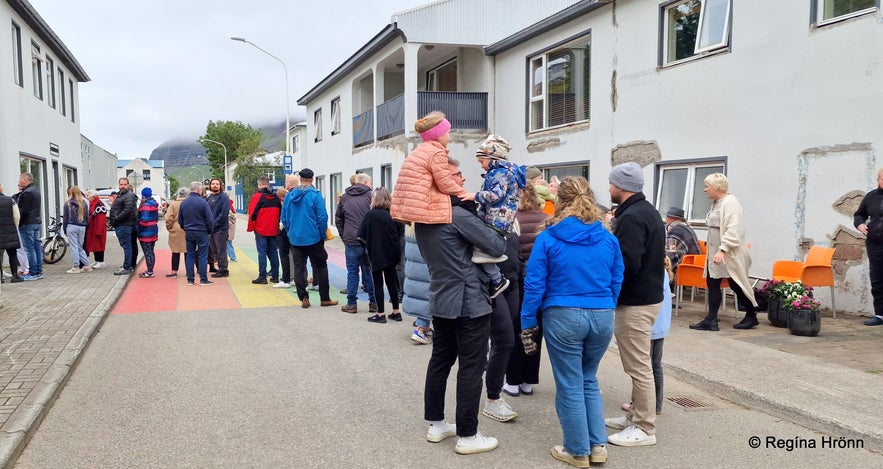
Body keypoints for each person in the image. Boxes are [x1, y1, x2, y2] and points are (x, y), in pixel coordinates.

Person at [519, 176, 623, 467]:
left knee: (570, 383)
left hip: (563, 314)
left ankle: (577, 450)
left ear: (559, 200)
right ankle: (597, 445)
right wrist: (607, 304)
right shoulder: (608, 237)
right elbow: (617, 277)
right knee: (588, 378)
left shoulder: (549, 237)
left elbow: (535, 284)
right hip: (602, 313)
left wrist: (527, 320)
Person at [418, 176, 507, 455]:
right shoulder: (455, 215)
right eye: (456, 178)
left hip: (441, 298)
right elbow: (496, 245)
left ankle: (436, 423)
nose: (463, 181)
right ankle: (468, 434)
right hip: (469, 300)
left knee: (440, 361)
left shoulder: (422, 219)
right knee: (471, 366)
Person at [605, 161, 665, 448]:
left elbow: (628, 263)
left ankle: (644, 427)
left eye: (611, 183)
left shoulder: (631, 217)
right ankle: (635, 418)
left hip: (636, 302)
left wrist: (608, 289)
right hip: (647, 298)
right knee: (638, 364)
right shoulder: (647, 210)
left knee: (639, 367)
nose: (609, 188)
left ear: (621, 186)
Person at [689, 173, 759, 331]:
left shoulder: (730, 203)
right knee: (713, 283)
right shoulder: (717, 203)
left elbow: (733, 229)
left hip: (728, 253)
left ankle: (750, 315)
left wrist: (723, 250)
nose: (705, 190)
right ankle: (712, 319)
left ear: (717, 188)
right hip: (716, 252)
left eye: (707, 187)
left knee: (736, 284)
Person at [503, 180, 550, 398]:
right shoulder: (546, 220)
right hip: (541, 283)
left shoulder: (512, 220)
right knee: (534, 329)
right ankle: (529, 381)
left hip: (517, 281)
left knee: (514, 329)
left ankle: (512, 381)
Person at [472, 135, 526, 298]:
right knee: (482, 251)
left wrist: (473, 195)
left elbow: (496, 195)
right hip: (502, 220)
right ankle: (496, 280)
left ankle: (497, 280)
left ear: (492, 157)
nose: (481, 166)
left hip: (496, 220)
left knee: (481, 250)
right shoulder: (506, 171)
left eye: (482, 161)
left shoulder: (500, 173)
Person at [390, 110, 467, 225]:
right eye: (448, 133)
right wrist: (464, 193)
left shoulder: (419, 151)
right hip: (425, 204)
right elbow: (445, 183)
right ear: (439, 135)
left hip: (411, 205)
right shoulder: (436, 153)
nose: (450, 138)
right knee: (467, 203)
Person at [281, 168, 338, 308]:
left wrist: (290, 231)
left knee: (299, 268)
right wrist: (322, 234)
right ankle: (325, 298)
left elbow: (284, 218)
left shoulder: (289, 195)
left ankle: (303, 298)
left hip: (295, 238)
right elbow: (322, 217)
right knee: (321, 266)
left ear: (300, 179)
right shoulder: (315, 195)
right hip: (313, 237)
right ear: (312, 180)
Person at [623, 262, 673, 416]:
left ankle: (644, 404)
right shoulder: (663, 273)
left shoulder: (653, 273)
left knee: (644, 367)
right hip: (659, 327)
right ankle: (656, 404)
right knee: (654, 365)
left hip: (650, 326)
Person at [358, 187, 404, 323]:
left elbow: (360, 236)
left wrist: (368, 247)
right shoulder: (393, 213)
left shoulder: (371, 215)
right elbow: (400, 232)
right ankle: (396, 311)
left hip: (377, 252)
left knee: (378, 283)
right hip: (392, 252)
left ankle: (381, 314)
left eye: (372, 197)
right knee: (391, 281)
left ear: (376, 199)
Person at [336, 173, 377, 313]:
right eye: (370, 182)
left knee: (352, 272)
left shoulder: (345, 197)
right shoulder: (371, 196)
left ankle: (351, 304)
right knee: (369, 271)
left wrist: (343, 235)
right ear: (365, 182)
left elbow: (339, 218)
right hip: (367, 239)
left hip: (351, 239)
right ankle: (374, 303)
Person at [854, 168, 883, 326]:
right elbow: (859, 214)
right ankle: (880, 315)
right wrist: (860, 224)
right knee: (878, 280)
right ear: (878, 180)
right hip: (876, 244)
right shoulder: (871, 196)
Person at [177, 181, 214, 286]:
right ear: (199, 190)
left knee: (190, 255)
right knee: (202, 256)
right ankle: (203, 279)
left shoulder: (184, 202)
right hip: (202, 232)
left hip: (189, 232)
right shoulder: (203, 202)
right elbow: (210, 219)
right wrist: (210, 231)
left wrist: (185, 228)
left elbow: (180, 219)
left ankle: (190, 279)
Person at [402, 223, 433, 344]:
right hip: (426, 266)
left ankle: (423, 327)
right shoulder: (426, 225)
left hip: (413, 267)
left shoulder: (410, 225)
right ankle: (420, 328)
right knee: (427, 297)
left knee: (422, 296)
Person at [247, 177, 281, 285]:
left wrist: (251, 227)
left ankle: (262, 276)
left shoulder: (258, 196)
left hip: (261, 229)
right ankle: (275, 276)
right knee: (273, 251)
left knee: (261, 252)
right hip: (273, 229)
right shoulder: (276, 197)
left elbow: (252, 213)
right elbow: (280, 212)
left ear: (260, 184)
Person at [109, 177, 138, 276]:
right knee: (129, 246)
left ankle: (127, 267)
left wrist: (117, 218)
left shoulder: (128, 195)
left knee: (127, 246)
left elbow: (127, 209)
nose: (123, 186)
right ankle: (129, 265)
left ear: (128, 185)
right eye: (121, 184)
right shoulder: (122, 195)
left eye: (125, 184)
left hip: (124, 224)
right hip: (124, 224)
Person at [17, 173, 43, 280]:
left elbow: (24, 211)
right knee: (37, 247)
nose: (19, 181)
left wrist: (19, 222)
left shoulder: (27, 193)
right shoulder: (36, 190)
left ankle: (32, 273)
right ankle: (38, 272)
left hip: (27, 224)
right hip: (36, 222)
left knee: (30, 248)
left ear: (24, 180)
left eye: (20, 179)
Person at [62, 186, 91, 273]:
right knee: (79, 246)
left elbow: (65, 218)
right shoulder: (84, 203)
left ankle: (76, 266)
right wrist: (86, 226)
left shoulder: (68, 203)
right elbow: (87, 217)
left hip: (71, 226)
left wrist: (64, 229)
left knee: (74, 247)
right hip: (82, 226)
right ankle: (87, 265)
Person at [206, 178, 231, 278]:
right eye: (213, 184)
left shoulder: (224, 197)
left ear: (220, 186)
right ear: (210, 185)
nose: (215, 185)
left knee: (221, 250)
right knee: (214, 250)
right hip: (211, 229)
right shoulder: (210, 197)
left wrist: (214, 224)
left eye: (217, 184)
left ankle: (224, 269)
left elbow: (224, 213)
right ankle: (218, 267)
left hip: (220, 229)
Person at [0, 183, 22, 283]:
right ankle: (15, 276)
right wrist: (15, 226)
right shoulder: (10, 200)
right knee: (12, 254)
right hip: (9, 231)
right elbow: (17, 216)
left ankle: (1, 277)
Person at [164, 188, 188, 278]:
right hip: (187, 228)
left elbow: (169, 217)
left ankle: (174, 271)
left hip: (176, 229)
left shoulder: (173, 204)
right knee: (188, 251)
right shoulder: (189, 203)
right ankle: (189, 271)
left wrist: (169, 227)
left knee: (175, 251)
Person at [136, 187, 159, 278]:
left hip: (145, 233)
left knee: (148, 252)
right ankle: (150, 270)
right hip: (153, 230)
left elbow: (144, 220)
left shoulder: (145, 206)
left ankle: (150, 272)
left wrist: (138, 229)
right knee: (151, 251)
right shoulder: (154, 204)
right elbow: (156, 218)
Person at [84, 189, 108, 269]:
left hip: (98, 228)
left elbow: (101, 219)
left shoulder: (99, 205)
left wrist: (99, 230)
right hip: (93, 228)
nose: (87, 198)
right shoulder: (93, 204)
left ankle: (101, 261)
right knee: (94, 245)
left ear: (93, 197)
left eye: (88, 196)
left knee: (99, 245)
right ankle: (97, 260)